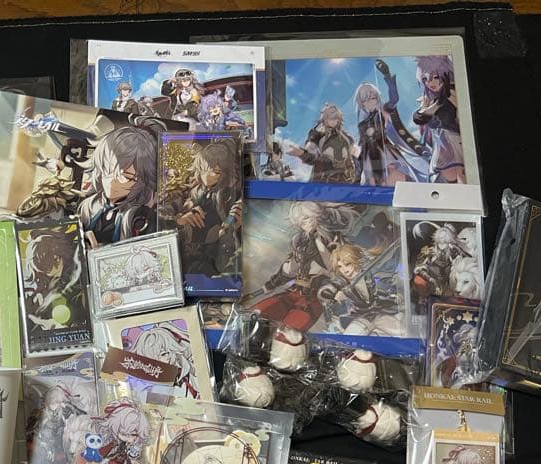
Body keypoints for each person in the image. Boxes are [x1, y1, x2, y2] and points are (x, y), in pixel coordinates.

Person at [250, 201, 361, 330]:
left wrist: (334, 290)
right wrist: (269, 285)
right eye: (300, 222)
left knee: (287, 332)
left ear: (316, 215)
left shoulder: (334, 240)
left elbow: (344, 272)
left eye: (306, 218)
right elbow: (290, 269)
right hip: (295, 292)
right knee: (255, 315)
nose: (303, 224)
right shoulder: (301, 241)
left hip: (316, 299)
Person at [165, 138, 243, 282]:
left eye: (215, 172)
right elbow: (165, 213)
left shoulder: (229, 196)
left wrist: (229, 229)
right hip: (184, 257)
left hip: (212, 260)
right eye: (203, 169)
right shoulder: (192, 191)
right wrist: (179, 220)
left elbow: (230, 227)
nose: (207, 176)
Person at [78, 125, 158, 248]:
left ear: (142, 182)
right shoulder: (88, 207)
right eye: (107, 170)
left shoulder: (140, 219)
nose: (112, 181)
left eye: (126, 177)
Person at [353, 59, 430, 186]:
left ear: (377, 98)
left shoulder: (383, 111)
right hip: (370, 158)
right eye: (365, 99)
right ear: (362, 104)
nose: (370, 101)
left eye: (373, 97)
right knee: (373, 182)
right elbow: (362, 146)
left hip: (386, 152)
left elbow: (394, 98)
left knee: (394, 173)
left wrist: (387, 75)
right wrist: (357, 174)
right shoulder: (362, 125)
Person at [319, 243, 402, 336]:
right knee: (349, 339)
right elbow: (329, 286)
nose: (345, 270)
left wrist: (392, 296)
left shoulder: (372, 272)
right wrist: (333, 293)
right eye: (340, 267)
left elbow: (389, 288)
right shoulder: (343, 280)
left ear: (355, 260)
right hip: (363, 317)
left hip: (385, 314)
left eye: (347, 264)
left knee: (402, 334)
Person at [413, 55, 465, 183]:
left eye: (435, 77)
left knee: (461, 175)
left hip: (456, 142)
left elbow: (463, 116)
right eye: (425, 79)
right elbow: (419, 118)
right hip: (440, 144)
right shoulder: (429, 98)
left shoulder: (453, 93)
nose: (430, 83)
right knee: (448, 177)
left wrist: (445, 98)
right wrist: (436, 104)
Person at [288, 103, 359, 184]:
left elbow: (357, 156)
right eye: (330, 114)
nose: (333, 116)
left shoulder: (347, 138)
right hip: (322, 182)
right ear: (324, 117)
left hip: (344, 182)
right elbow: (311, 157)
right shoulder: (317, 135)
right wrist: (302, 153)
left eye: (335, 113)